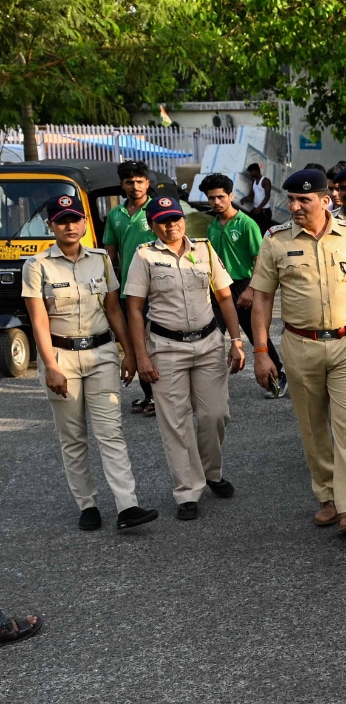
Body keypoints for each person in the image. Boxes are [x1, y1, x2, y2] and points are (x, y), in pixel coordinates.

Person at [249, 168, 346, 536]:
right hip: (300, 344)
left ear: (326, 201)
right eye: (291, 199)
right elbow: (261, 299)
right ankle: (326, 496)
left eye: (303, 200)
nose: (294, 206)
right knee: (313, 427)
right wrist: (261, 352)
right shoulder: (276, 241)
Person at [21, 194, 158, 532]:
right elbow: (38, 321)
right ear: (50, 225)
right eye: (62, 220)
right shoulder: (37, 265)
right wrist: (50, 366)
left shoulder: (100, 260)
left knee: (111, 432)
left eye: (75, 219)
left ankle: (127, 506)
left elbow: (114, 309)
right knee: (73, 436)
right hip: (61, 357)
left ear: (85, 224)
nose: (70, 226)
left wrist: (127, 350)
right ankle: (88, 504)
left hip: (101, 355)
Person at [123, 195, 247, 521]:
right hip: (165, 349)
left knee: (215, 415)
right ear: (152, 225)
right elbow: (134, 309)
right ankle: (187, 490)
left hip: (208, 344)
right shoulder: (144, 256)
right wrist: (140, 357)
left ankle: (212, 473)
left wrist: (236, 340)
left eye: (176, 218)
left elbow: (224, 297)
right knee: (176, 424)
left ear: (184, 219)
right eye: (163, 221)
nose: (171, 225)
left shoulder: (204, 249)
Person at [205, 174, 286, 399]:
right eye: (211, 198)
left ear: (231, 196)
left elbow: (260, 260)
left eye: (221, 197)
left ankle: (278, 375)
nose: (216, 202)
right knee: (211, 334)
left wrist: (251, 289)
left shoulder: (247, 223)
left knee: (256, 335)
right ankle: (206, 385)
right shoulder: (212, 226)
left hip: (244, 284)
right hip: (219, 288)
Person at [103, 160, 158, 416]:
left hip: (158, 288)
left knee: (157, 341)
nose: (135, 186)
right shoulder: (115, 215)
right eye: (129, 182)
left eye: (139, 181)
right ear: (122, 185)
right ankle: (149, 394)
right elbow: (109, 255)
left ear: (147, 183)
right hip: (129, 289)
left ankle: (162, 395)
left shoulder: (157, 210)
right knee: (138, 343)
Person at [244, 163, 275, 231]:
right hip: (256, 210)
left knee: (263, 231)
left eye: (251, 172)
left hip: (264, 211)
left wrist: (259, 208)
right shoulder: (254, 182)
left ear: (257, 171)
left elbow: (267, 196)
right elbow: (251, 196)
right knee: (249, 226)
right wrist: (244, 199)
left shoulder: (265, 181)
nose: (250, 174)